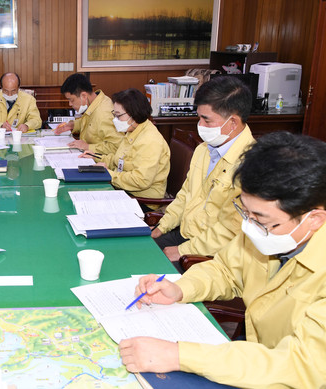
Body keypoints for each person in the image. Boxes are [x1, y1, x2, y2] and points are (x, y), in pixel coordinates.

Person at [120, 132, 326, 388]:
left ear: (314, 219)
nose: (249, 226)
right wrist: (180, 288)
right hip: (252, 357)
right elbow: (226, 270)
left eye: (260, 218)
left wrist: (179, 355)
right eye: (244, 212)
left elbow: (301, 365)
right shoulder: (270, 231)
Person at [152, 77, 255, 268]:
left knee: (147, 278)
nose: (200, 125)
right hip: (183, 233)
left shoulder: (251, 165)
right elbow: (185, 195)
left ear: (232, 122)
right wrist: (162, 226)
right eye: (198, 117)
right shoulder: (204, 149)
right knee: (134, 254)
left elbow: (229, 231)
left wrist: (183, 251)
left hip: (211, 254)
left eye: (206, 120)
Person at [81, 89, 170, 207]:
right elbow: (118, 160)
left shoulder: (150, 141)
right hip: (125, 190)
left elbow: (140, 180)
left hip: (142, 201)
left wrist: (109, 174)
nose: (115, 120)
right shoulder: (133, 130)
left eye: (118, 116)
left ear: (134, 113)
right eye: (114, 115)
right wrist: (95, 157)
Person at [55, 73, 122, 154]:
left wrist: (87, 147)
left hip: (100, 161)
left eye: (71, 100)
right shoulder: (94, 102)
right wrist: (72, 125)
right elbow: (91, 123)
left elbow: (116, 147)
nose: (70, 104)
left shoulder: (104, 114)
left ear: (83, 96)